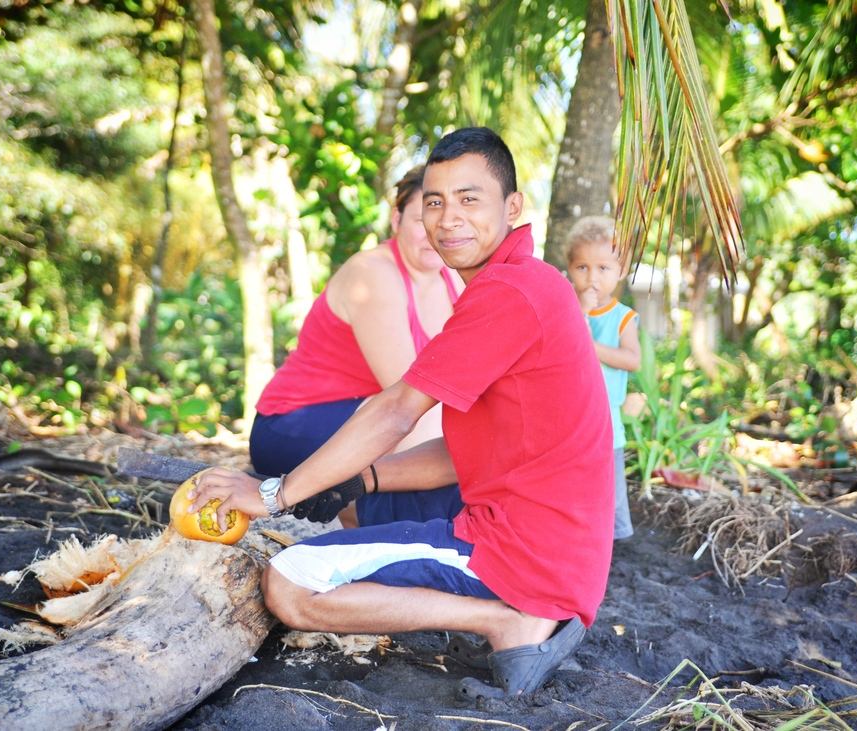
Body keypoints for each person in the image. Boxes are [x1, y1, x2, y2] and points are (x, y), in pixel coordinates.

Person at [191, 127, 614, 697]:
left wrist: (273, 495)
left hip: (518, 551)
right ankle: (506, 607)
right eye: (435, 202)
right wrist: (361, 479)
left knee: (290, 583)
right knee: (367, 517)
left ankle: (506, 619)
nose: (448, 218)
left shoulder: (509, 292)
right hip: (558, 550)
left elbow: (396, 409)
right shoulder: (520, 283)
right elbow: (468, 452)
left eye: (470, 199)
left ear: (513, 208)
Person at [251, 165, 464, 526]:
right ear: (396, 219)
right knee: (423, 425)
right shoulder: (373, 274)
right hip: (293, 424)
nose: (435, 231)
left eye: (448, 219)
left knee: (447, 436)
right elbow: (407, 396)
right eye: (423, 216)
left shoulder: (453, 280)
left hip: (373, 420)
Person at [564, 216, 642, 541]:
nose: (592, 278)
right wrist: (579, 312)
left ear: (620, 270)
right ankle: (577, 539)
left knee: (610, 488)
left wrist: (593, 347)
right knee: (572, 486)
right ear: (570, 269)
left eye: (603, 268)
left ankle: (619, 542)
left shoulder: (621, 317)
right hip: (569, 419)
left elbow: (632, 359)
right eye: (582, 268)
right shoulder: (566, 308)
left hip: (606, 422)